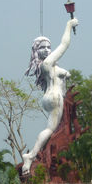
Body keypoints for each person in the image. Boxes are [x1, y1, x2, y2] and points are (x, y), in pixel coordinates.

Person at [22, 18, 79, 175]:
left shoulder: (50, 66)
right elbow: (64, 45)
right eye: (43, 47)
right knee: (50, 128)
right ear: (36, 50)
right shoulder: (47, 63)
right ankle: (31, 155)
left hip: (51, 97)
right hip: (55, 97)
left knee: (57, 128)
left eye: (49, 47)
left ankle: (40, 153)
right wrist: (69, 25)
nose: (47, 50)